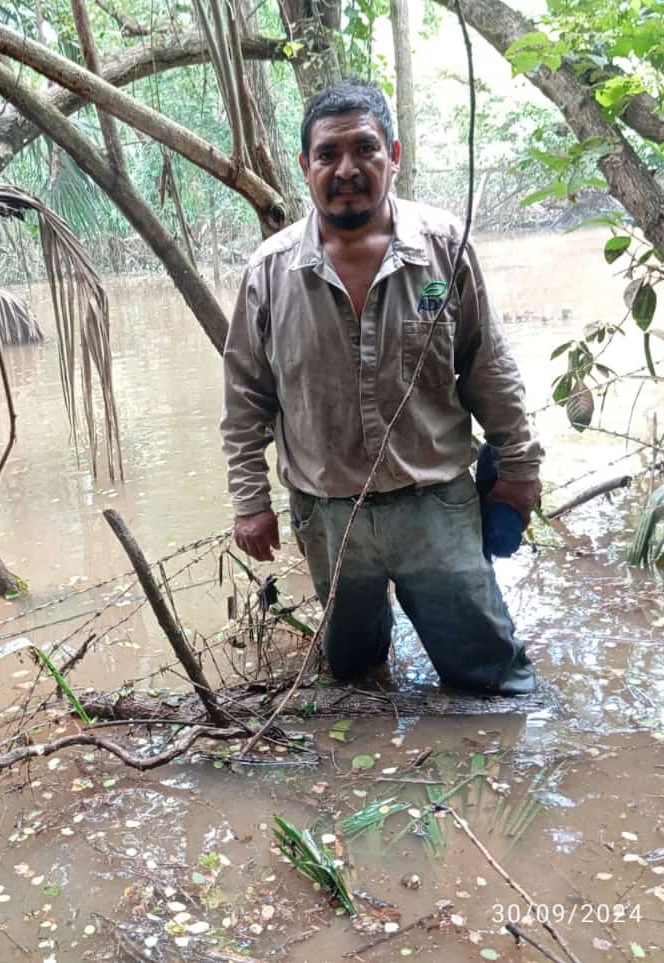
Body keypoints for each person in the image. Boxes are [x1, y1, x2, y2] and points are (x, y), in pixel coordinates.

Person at [219, 78, 543, 695]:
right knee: (354, 679)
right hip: (329, 514)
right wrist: (249, 500)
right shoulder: (270, 272)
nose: (346, 169)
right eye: (328, 155)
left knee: (495, 683)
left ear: (393, 157)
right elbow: (245, 399)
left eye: (364, 150)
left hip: (437, 506)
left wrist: (519, 470)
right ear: (304, 167)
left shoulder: (443, 249)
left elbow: (488, 368)